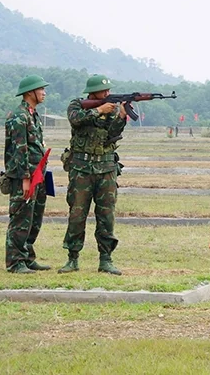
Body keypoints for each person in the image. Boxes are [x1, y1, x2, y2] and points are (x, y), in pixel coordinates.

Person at [58, 75, 127, 275]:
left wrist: (121, 116)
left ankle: (106, 259)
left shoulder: (111, 109)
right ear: (93, 92)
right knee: (77, 214)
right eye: (103, 91)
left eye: (108, 91)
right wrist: (98, 110)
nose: (107, 94)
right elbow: (75, 120)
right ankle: (72, 258)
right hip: (81, 169)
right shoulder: (77, 105)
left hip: (106, 169)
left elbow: (113, 134)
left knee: (106, 215)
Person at [3, 75, 51, 273]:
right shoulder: (19, 116)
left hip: (38, 174)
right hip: (25, 177)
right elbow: (19, 150)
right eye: (41, 89)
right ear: (30, 92)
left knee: (34, 218)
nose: (44, 93)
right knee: (20, 219)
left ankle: (27, 256)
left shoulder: (33, 114)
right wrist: (25, 179)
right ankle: (15, 262)